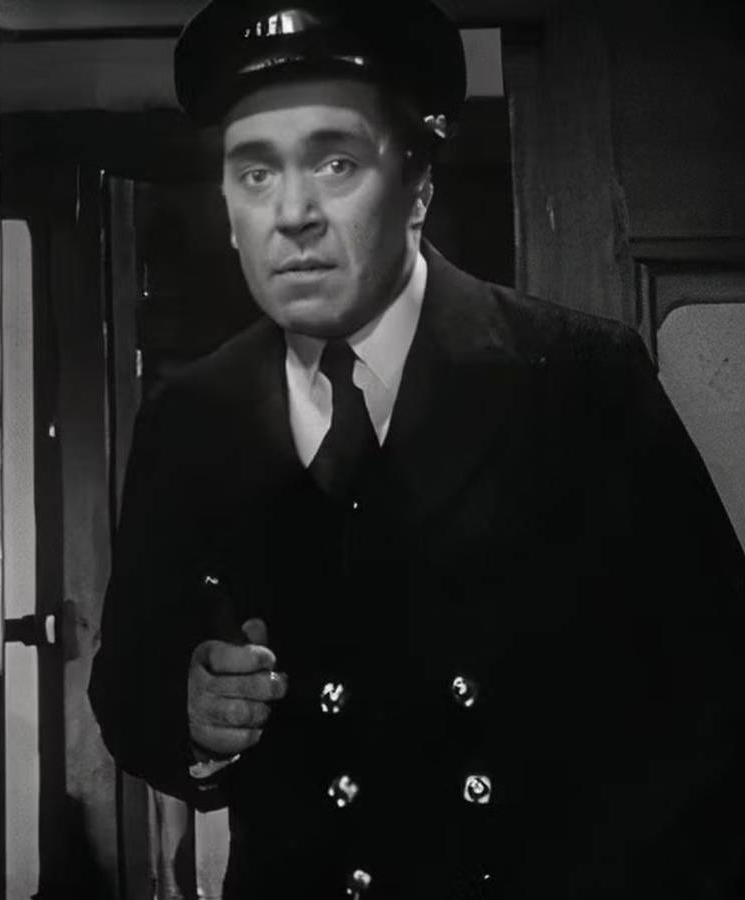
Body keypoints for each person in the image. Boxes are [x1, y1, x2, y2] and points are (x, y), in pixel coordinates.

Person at [87, 1, 745, 897]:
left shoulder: (576, 378)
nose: (293, 214)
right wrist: (193, 712)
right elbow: (128, 686)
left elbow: (713, 696)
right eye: (255, 173)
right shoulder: (190, 416)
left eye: (336, 163)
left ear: (418, 189)